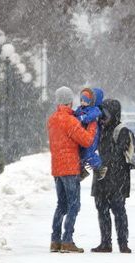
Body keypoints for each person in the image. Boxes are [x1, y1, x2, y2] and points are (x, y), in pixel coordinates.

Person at [47, 86, 98, 253]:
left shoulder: (52, 119)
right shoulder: (70, 120)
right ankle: (67, 240)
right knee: (73, 205)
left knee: (61, 205)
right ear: (70, 101)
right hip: (70, 168)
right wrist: (92, 124)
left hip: (57, 168)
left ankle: (55, 240)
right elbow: (87, 141)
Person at [90, 99, 135, 254]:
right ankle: (105, 243)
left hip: (117, 179)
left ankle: (123, 243)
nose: (103, 116)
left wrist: (105, 162)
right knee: (102, 211)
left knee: (119, 211)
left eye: (106, 112)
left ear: (114, 113)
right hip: (102, 177)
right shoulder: (99, 129)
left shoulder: (122, 130)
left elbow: (121, 155)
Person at [75, 88, 107, 181]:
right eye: (81, 100)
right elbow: (75, 114)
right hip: (84, 134)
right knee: (80, 153)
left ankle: (99, 167)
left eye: (85, 100)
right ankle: (82, 171)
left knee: (88, 153)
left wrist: (82, 117)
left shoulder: (95, 110)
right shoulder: (80, 109)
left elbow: (90, 117)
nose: (82, 102)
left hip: (93, 134)